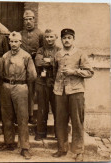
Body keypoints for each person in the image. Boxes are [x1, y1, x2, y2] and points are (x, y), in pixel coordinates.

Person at [52, 28, 94, 162]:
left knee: (77, 121)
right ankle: (62, 148)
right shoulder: (58, 54)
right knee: (60, 121)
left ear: (73, 39)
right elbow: (54, 72)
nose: (66, 40)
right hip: (60, 91)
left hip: (76, 91)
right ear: (61, 40)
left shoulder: (80, 54)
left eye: (69, 38)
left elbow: (89, 72)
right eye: (64, 38)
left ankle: (78, 151)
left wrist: (74, 71)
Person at [0, 31, 37, 160]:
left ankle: (25, 147)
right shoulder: (5, 56)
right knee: (6, 116)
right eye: (11, 41)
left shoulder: (26, 56)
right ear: (9, 42)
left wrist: (22, 84)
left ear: (20, 42)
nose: (13, 44)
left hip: (20, 88)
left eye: (16, 41)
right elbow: (1, 73)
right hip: (6, 87)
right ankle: (9, 143)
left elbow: (32, 75)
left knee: (22, 117)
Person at [34, 29, 61, 141]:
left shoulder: (60, 50)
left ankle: (59, 134)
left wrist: (50, 61)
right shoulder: (41, 50)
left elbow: (60, 62)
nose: (49, 39)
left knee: (58, 109)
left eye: (51, 37)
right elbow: (38, 62)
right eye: (47, 37)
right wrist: (52, 61)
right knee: (42, 108)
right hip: (42, 83)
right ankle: (41, 132)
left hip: (56, 83)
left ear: (56, 37)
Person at [20, 10, 43, 124]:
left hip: (34, 65)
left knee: (31, 91)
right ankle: (20, 114)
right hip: (21, 64)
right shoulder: (20, 34)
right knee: (20, 89)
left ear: (34, 20)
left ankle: (30, 115)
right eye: (26, 19)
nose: (28, 21)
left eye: (30, 19)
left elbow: (43, 50)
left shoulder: (40, 34)